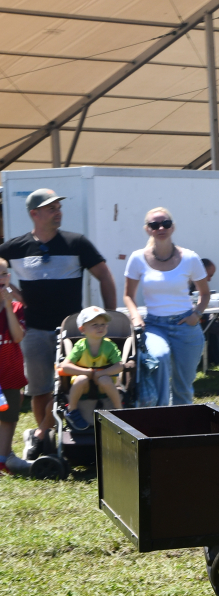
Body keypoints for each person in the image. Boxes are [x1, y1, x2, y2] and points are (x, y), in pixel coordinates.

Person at [0, 188, 116, 460]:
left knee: (67, 385)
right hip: (33, 331)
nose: (58, 212)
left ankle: (42, 433)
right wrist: (10, 290)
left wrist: (110, 315)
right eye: (51, 208)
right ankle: (47, 443)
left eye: (59, 207)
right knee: (39, 390)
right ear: (34, 214)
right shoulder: (16, 247)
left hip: (72, 332)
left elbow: (105, 277)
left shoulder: (77, 243)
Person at [124, 207, 210, 407]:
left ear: (173, 227)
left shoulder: (190, 257)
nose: (161, 228)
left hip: (186, 325)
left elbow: (205, 293)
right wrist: (135, 316)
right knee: (159, 357)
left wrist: (196, 315)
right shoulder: (137, 258)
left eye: (166, 224)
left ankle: (182, 424)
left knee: (183, 388)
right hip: (154, 325)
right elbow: (128, 296)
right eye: (154, 225)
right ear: (147, 229)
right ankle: (162, 416)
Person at [58, 306, 124, 430]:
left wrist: (100, 373)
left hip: (103, 387)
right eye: (95, 324)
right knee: (81, 379)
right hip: (84, 388)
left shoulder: (109, 346)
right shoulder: (80, 346)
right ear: (82, 329)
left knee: (105, 379)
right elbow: (65, 366)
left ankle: (119, 410)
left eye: (103, 324)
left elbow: (119, 366)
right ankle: (71, 410)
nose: (100, 327)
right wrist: (87, 372)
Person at [0, 260, 28, 472]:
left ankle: (3, 458)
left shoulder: (17, 307)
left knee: (8, 418)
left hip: (10, 372)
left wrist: (9, 307)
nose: (0, 279)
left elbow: (18, 337)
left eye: (3, 274)